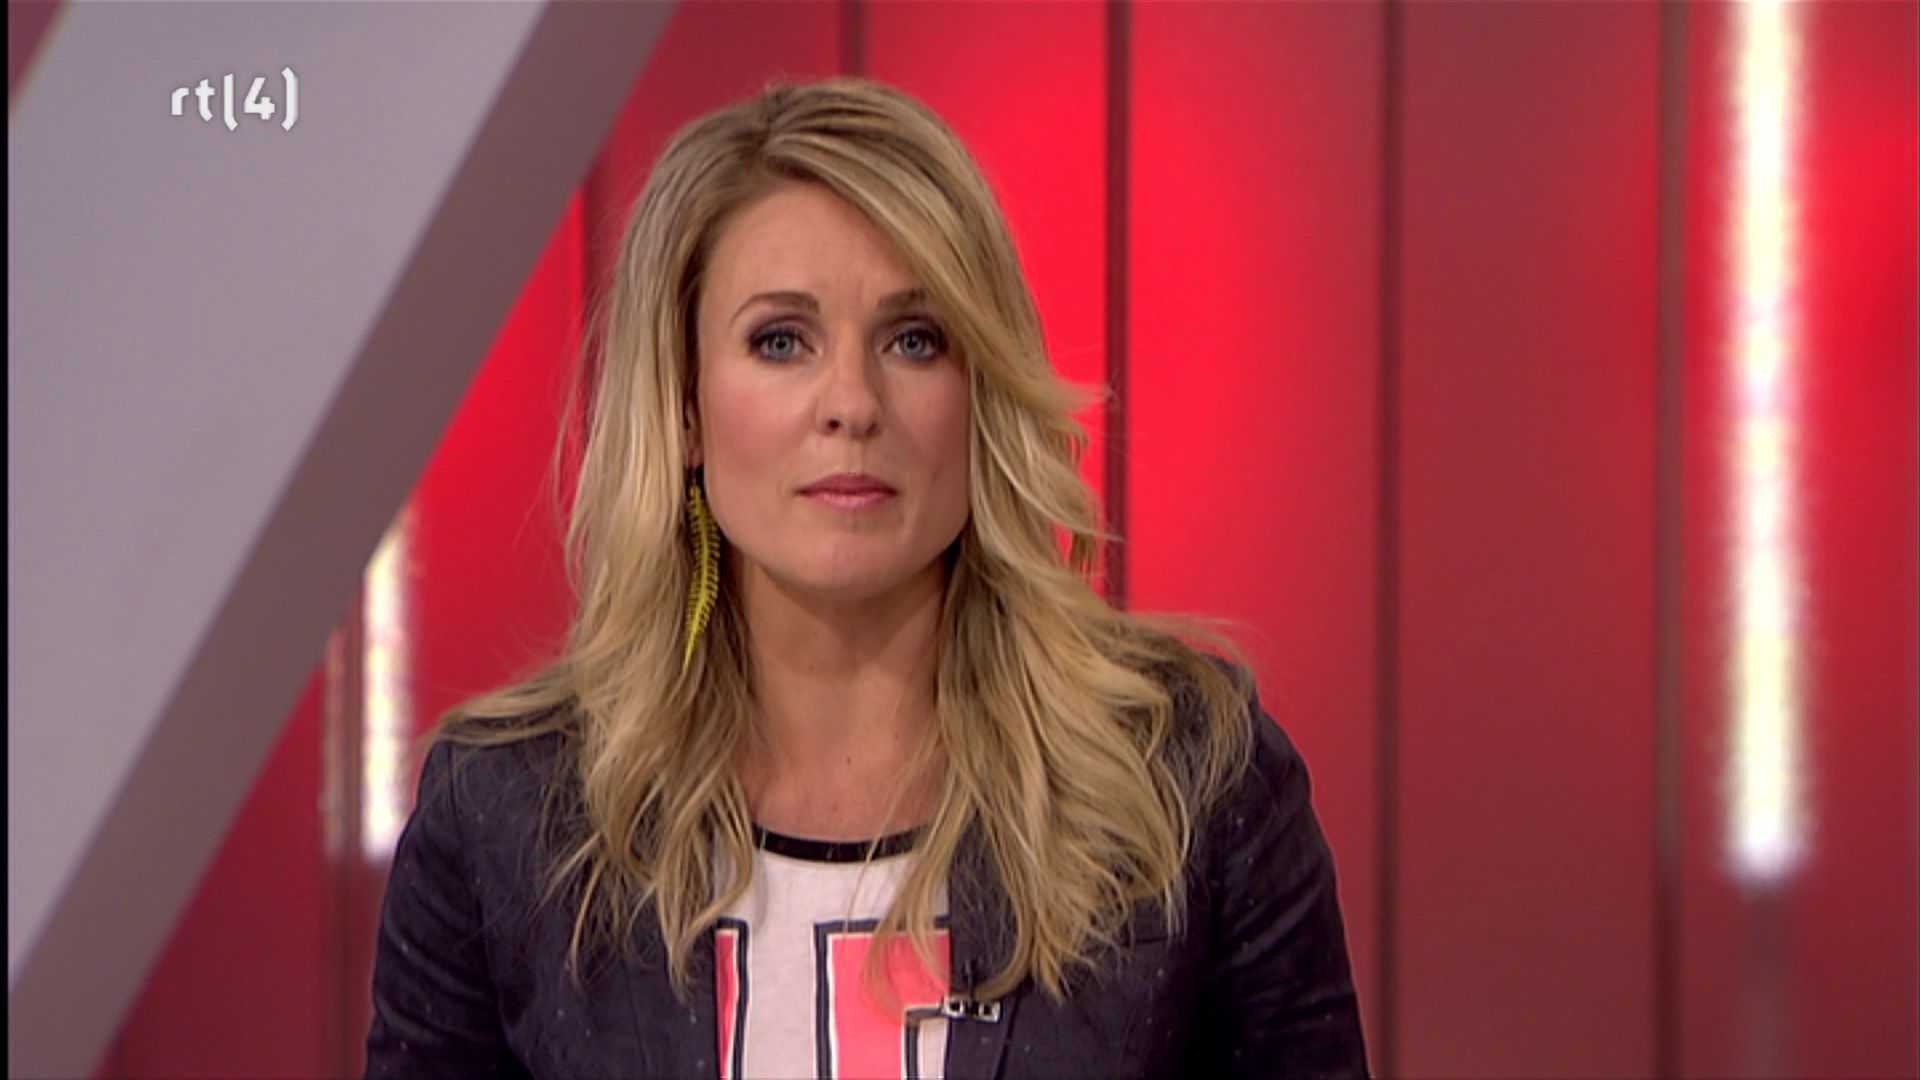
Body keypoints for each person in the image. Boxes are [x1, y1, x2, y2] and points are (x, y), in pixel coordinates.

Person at [364, 76, 1368, 1079]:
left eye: (913, 340)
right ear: (684, 408)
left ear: (980, 392)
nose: (851, 401)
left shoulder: (1190, 786)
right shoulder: (505, 818)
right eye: (781, 341)